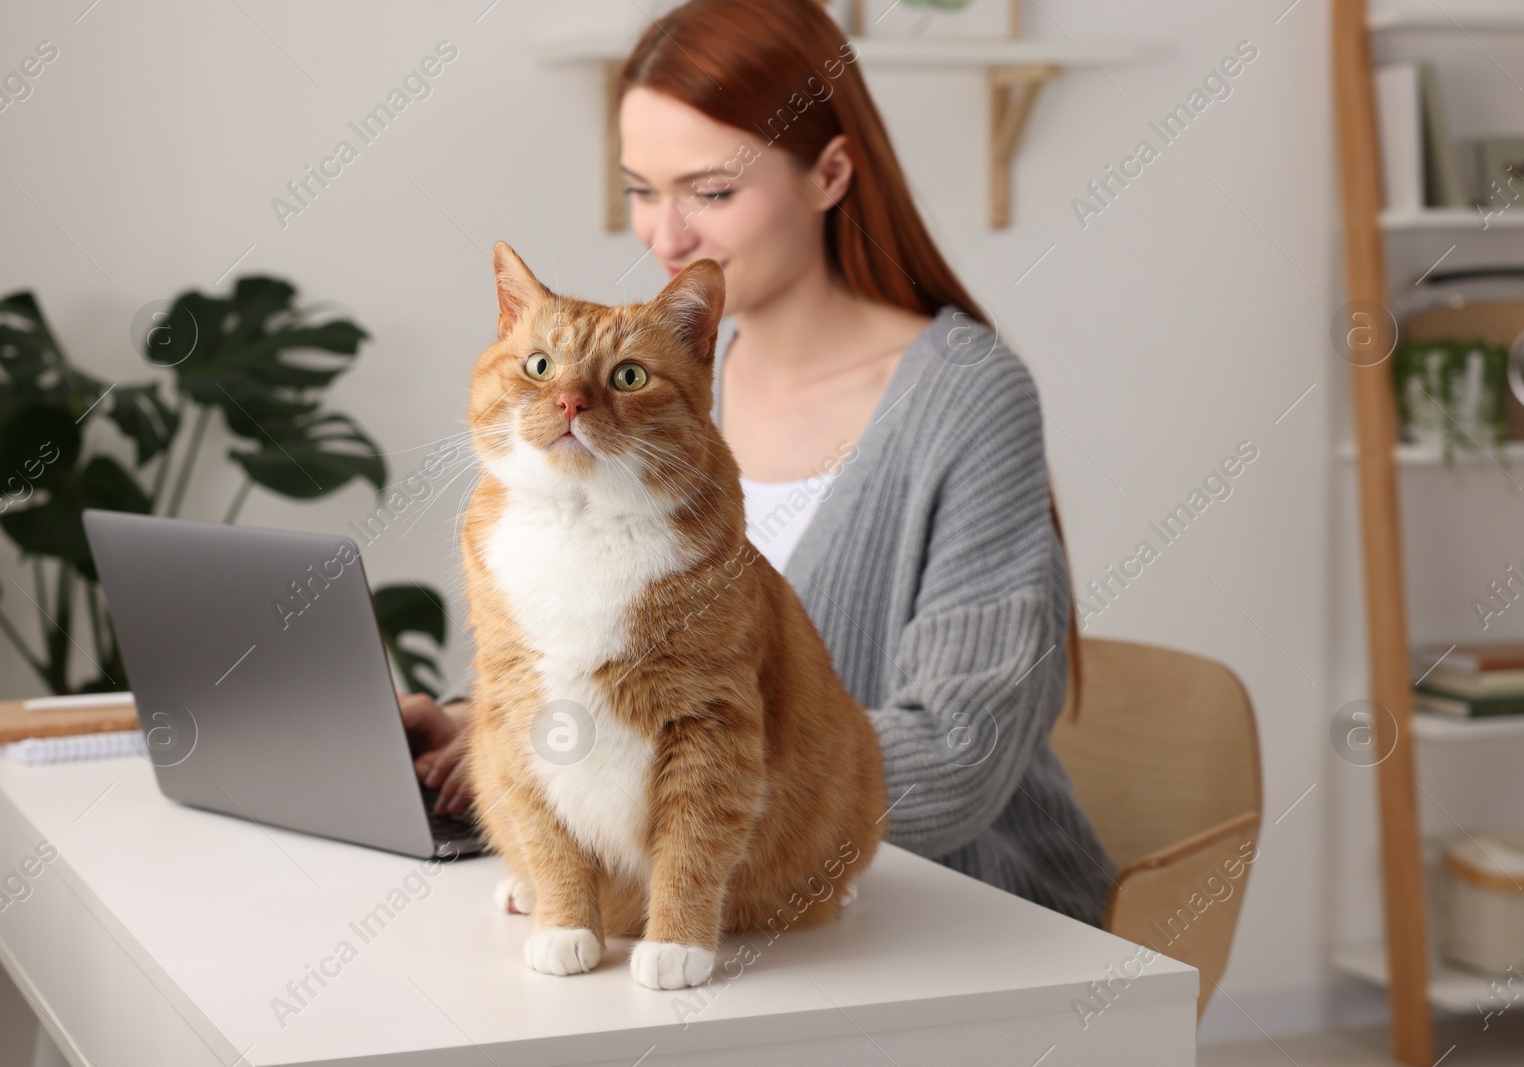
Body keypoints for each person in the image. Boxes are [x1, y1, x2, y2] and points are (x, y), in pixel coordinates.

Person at [401, 0, 1115, 928]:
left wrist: (704, 769)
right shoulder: (674, 383)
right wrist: (501, 729)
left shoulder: (966, 396)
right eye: (642, 190)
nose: (665, 237)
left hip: (952, 910)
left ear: (829, 173)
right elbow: (646, 668)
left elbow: (961, 752)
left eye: (711, 192)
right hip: (727, 903)